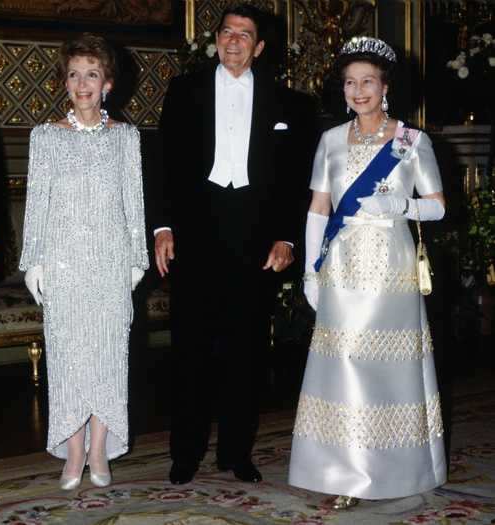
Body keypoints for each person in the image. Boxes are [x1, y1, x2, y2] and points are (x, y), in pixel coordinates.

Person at [289, 36, 447, 509]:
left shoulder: (412, 142)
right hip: (342, 266)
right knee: (342, 369)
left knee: (389, 370)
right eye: (350, 83)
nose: (358, 91)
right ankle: (344, 474)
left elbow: (438, 208)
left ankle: (398, 468)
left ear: (385, 87)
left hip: (391, 270)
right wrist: (310, 271)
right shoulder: (330, 140)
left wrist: (401, 204)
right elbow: (319, 208)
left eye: (368, 82)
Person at [154, 3, 298, 485]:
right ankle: (185, 454)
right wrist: (163, 228)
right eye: (226, 32)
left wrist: (286, 237)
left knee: (247, 353)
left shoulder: (286, 102)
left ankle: (236, 453)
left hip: (254, 240)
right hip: (196, 234)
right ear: (216, 39)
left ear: (259, 47)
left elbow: (293, 180)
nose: (233, 40)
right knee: (190, 351)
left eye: (245, 34)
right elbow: (164, 164)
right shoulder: (184, 89)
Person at [19, 33, 148, 491]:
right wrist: (33, 261)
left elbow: (134, 202)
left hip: (112, 263)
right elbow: (37, 203)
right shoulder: (46, 137)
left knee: (108, 358)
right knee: (70, 359)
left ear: (107, 83)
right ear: (64, 83)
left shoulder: (126, 138)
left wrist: (137, 259)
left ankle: (99, 449)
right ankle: (72, 450)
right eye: (74, 74)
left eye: (91, 74)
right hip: (65, 263)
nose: (82, 83)